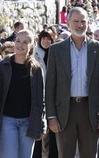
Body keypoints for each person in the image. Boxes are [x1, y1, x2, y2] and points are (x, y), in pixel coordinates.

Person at [45, 7, 99, 158]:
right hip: (64, 113)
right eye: (75, 21)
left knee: (89, 154)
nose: (79, 25)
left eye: (83, 21)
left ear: (88, 23)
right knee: (65, 155)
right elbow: (50, 86)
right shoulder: (56, 50)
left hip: (90, 111)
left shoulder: (97, 48)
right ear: (67, 23)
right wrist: (51, 116)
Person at [0, 29, 45, 158]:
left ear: (32, 46)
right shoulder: (2, 66)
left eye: (25, 42)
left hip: (29, 121)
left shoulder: (36, 69)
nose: (20, 45)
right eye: (18, 41)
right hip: (7, 120)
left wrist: (42, 124)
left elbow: (40, 99)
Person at [33, 30, 58, 158]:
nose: (46, 41)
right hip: (39, 96)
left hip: (53, 97)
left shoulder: (57, 54)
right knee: (39, 132)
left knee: (53, 134)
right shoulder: (34, 55)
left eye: (49, 39)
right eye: (43, 38)